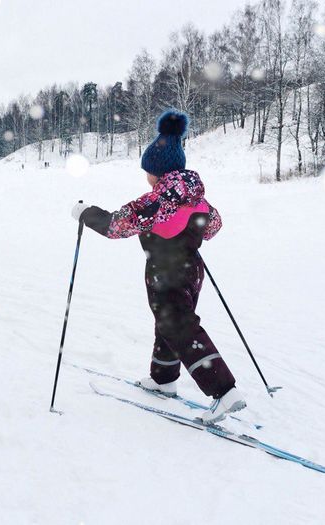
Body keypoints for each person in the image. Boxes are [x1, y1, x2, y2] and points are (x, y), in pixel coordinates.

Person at [70, 109, 245, 424]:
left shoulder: (154, 202)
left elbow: (116, 226)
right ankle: (164, 379)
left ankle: (224, 390)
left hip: (167, 275)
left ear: (159, 172)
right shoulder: (198, 199)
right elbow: (213, 226)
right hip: (192, 272)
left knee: (179, 327)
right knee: (169, 323)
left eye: (148, 171)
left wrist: (86, 213)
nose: (146, 177)